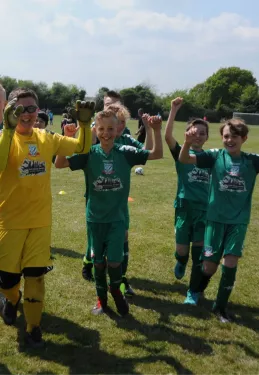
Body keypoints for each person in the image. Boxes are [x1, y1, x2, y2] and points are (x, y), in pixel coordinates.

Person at [0, 87, 94, 348]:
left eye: (32, 109)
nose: (27, 114)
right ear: (9, 111)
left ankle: (33, 329)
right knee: (7, 280)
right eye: (20, 109)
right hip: (9, 223)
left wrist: (83, 124)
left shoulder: (47, 138)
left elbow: (82, 146)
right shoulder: (4, 139)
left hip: (40, 222)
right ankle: (9, 298)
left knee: (35, 278)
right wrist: (7, 130)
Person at [54, 107, 163, 316]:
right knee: (97, 262)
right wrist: (66, 138)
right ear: (95, 129)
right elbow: (59, 163)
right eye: (101, 128)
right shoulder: (88, 154)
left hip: (117, 219)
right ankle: (101, 300)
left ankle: (115, 290)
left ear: (118, 129)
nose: (106, 133)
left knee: (114, 261)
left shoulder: (125, 153)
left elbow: (156, 154)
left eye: (110, 128)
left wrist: (156, 130)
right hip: (95, 218)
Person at [179, 118, 259, 322]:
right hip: (215, 219)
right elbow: (185, 159)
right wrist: (186, 142)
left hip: (238, 222)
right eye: (226, 136)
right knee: (208, 267)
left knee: (230, 262)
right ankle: (194, 291)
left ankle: (220, 308)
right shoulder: (214, 156)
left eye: (234, 136)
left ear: (244, 138)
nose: (230, 140)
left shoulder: (252, 161)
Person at [83, 104, 153, 299]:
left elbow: (147, 153)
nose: (120, 126)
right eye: (117, 122)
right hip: (97, 198)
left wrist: (149, 129)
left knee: (122, 239)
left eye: (122, 122)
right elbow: (83, 152)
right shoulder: (99, 137)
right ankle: (89, 264)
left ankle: (120, 280)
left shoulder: (126, 141)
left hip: (119, 203)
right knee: (96, 241)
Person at [164, 97, 211, 304]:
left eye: (202, 133)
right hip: (184, 209)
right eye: (195, 132)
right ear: (188, 134)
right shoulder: (182, 154)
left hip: (204, 212)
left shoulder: (212, 157)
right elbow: (167, 137)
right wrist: (173, 110)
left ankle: (193, 292)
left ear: (207, 137)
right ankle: (180, 261)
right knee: (182, 251)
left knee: (199, 254)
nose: (198, 136)